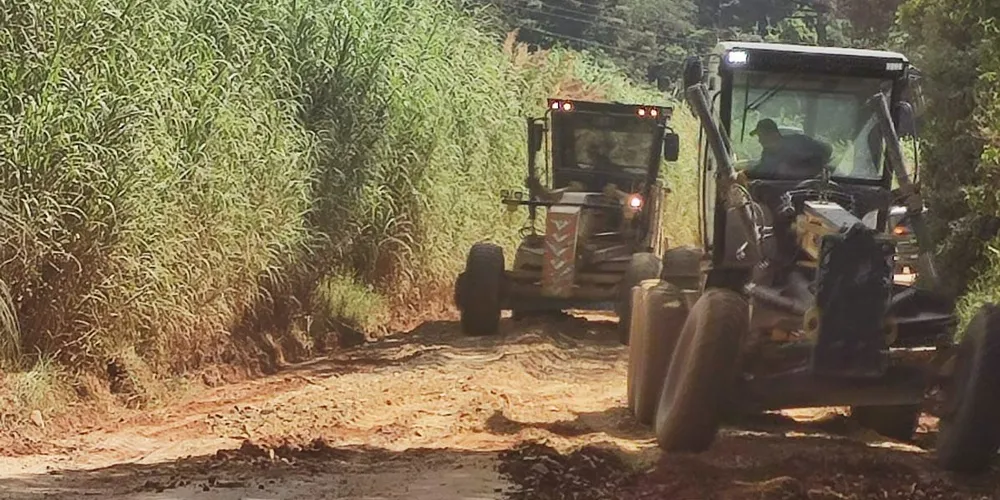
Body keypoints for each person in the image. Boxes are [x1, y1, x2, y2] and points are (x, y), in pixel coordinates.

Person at [749, 118, 833, 179]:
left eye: (762, 136)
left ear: (774, 135)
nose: (760, 141)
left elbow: (827, 150)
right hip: (780, 191)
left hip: (807, 188)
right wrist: (745, 173)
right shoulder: (767, 153)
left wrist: (799, 169)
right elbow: (762, 170)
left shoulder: (799, 142)